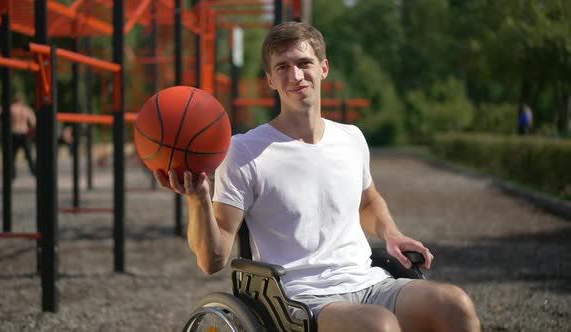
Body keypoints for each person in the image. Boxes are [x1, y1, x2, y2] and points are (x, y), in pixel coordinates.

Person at [155, 22, 480, 331]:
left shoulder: (351, 137)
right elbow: (214, 259)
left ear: (323, 67)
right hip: (299, 299)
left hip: (369, 282)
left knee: (455, 304)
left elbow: (368, 201)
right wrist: (197, 199)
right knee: (378, 326)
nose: (296, 75)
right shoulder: (244, 151)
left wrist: (391, 233)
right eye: (282, 67)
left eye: (304, 62)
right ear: (270, 79)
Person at [10, 96, 37, 178]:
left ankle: (12, 174)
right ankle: (35, 172)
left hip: (14, 133)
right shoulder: (26, 109)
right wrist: (31, 133)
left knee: (11, 156)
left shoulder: (12, 108)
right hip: (24, 134)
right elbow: (33, 122)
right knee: (29, 156)